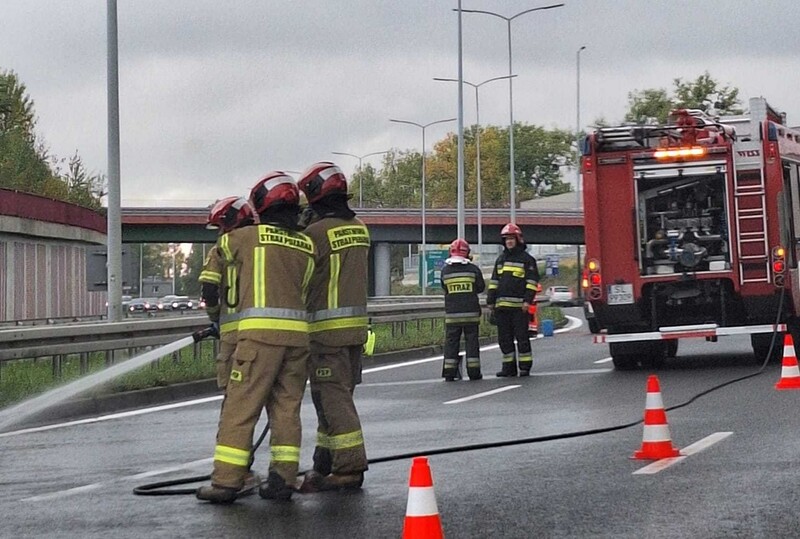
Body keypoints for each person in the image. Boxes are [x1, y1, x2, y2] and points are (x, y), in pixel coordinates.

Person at [196, 172, 315, 504]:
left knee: (240, 407)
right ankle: (283, 480)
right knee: (286, 410)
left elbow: (210, 282)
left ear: (262, 204)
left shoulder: (244, 237)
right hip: (298, 341)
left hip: (258, 340)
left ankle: (227, 481)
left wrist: (216, 315)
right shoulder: (306, 244)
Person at [296, 161, 370, 492]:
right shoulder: (360, 228)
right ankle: (323, 463)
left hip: (326, 334)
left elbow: (301, 277)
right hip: (354, 332)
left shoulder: (315, 234)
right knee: (329, 399)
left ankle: (349, 468)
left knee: (335, 402)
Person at [199, 196, 256, 391]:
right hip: (264, 332)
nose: (220, 233)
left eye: (220, 227)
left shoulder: (221, 249)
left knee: (233, 392)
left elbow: (209, 288)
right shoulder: (264, 248)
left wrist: (215, 317)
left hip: (233, 333)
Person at [486, 223, 540, 377]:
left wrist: (527, 301)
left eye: (511, 238)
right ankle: (508, 368)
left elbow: (531, 283)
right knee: (504, 339)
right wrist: (491, 301)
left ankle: (525, 367)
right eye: (506, 239)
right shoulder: (500, 259)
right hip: (502, 307)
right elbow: (494, 281)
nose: (509, 242)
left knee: (522, 337)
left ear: (518, 239)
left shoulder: (527, 260)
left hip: (519, 308)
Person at [440, 238, 485, 381]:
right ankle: (474, 372)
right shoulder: (473, 270)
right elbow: (481, 287)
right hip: (471, 314)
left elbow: (444, 288)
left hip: (452, 315)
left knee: (451, 343)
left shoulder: (445, 271)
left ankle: (449, 372)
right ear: (467, 253)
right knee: (472, 343)